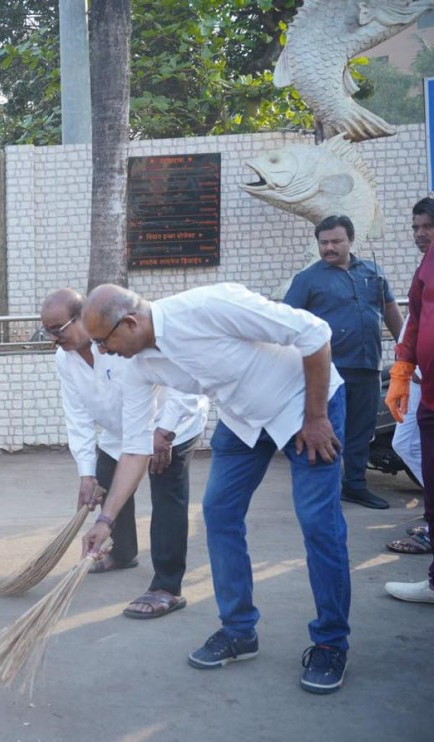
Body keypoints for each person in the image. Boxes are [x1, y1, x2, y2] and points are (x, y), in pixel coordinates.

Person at [79, 283, 351, 695]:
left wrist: (315, 417)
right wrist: (106, 520)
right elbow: (135, 448)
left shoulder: (210, 305)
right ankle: (239, 631)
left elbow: (315, 334)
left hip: (305, 406)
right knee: (219, 515)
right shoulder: (137, 365)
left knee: (318, 522)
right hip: (245, 420)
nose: (102, 352)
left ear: (130, 322)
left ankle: (331, 642)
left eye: (104, 341)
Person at [41, 288, 208, 619]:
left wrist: (166, 430)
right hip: (123, 432)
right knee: (106, 478)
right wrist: (85, 473)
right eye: (48, 331)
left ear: (83, 319)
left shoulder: (123, 341)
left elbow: (182, 380)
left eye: (58, 329)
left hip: (172, 424)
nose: (53, 338)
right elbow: (78, 416)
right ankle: (123, 552)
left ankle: (167, 586)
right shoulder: (65, 359)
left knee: (166, 496)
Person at [284, 215, 403, 510]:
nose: (329, 248)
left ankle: (355, 486)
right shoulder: (307, 279)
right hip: (327, 371)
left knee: (362, 430)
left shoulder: (373, 272)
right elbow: (285, 322)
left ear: (351, 240)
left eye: (336, 241)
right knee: (328, 431)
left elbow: (389, 309)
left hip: (367, 366)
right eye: (323, 242)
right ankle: (322, 491)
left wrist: (405, 347)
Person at [386, 197, 434, 556]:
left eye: (427, 226)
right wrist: (404, 370)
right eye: (416, 227)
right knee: (409, 446)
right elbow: (415, 319)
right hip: (425, 387)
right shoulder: (425, 268)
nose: (420, 234)